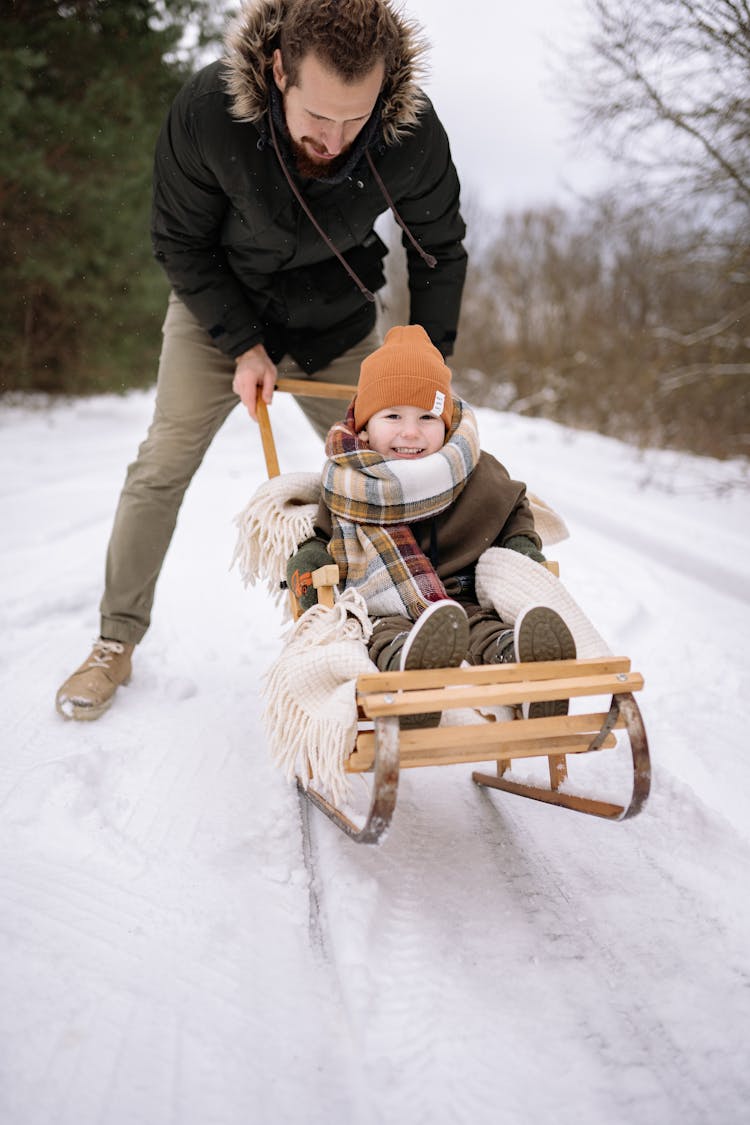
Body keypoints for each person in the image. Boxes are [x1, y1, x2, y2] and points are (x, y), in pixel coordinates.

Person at [55, 0, 467, 721]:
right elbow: (179, 242)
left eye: (354, 119)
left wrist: (424, 362)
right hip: (218, 310)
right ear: (279, 70)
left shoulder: (409, 130)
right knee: (162, 462)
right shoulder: (209, 112)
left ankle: (443, 629)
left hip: (335, 318)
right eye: (318, 117)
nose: (336, 139)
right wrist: (241, 344)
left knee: (404, 464)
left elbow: (437, 248)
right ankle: (113, 640)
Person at [285, 324, 576, 727]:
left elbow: (513, 509)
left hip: (466, 595)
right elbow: (324, 532)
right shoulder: (348, 480)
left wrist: (523, 550)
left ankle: (529, 664)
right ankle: (412, 676)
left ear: (446, 424)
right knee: (383, 635)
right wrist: (309, 559)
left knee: (486, 629)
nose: (410, 432)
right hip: (382, 601)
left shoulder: (473, 469)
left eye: (427, 417)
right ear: (365, 427)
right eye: (392, 416)